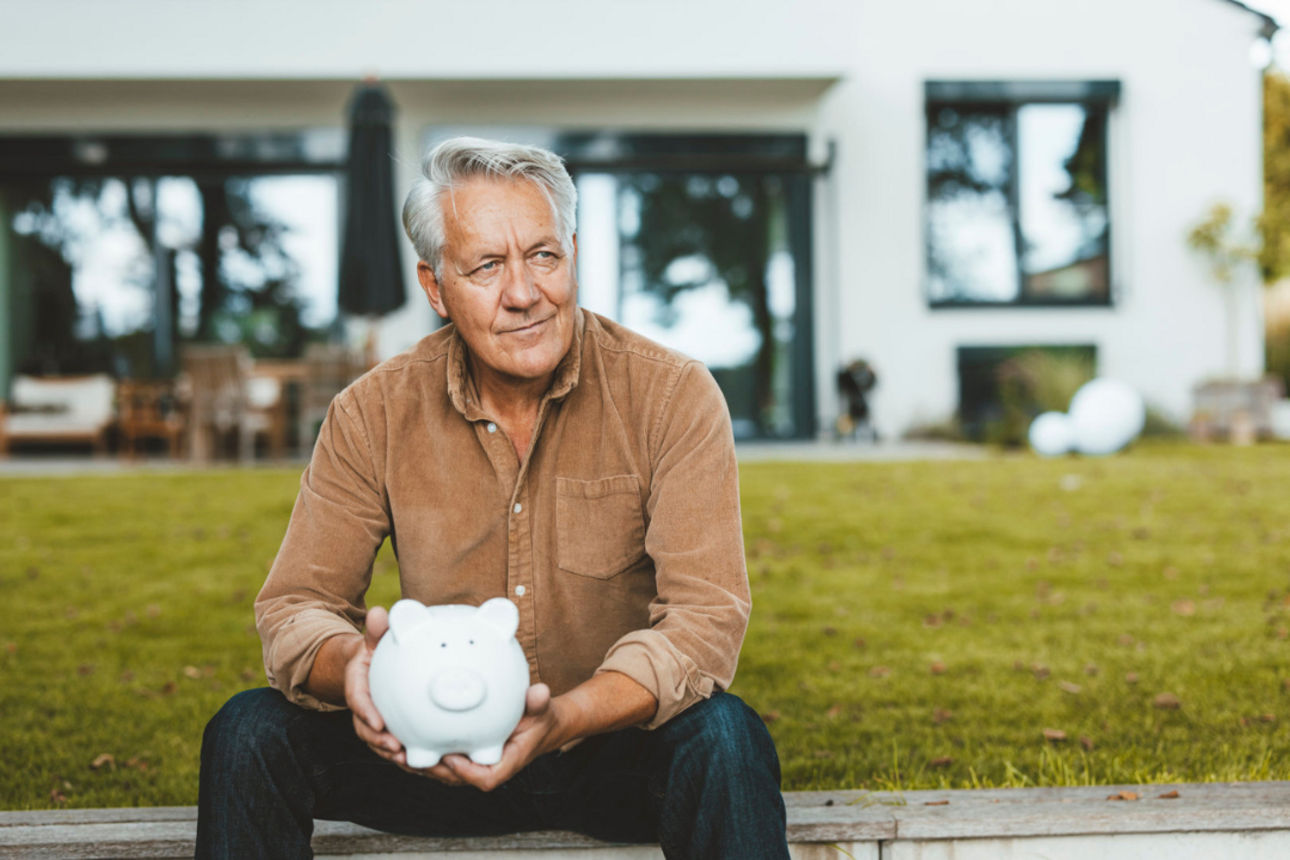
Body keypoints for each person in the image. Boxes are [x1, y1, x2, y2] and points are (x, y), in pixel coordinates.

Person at [195, 137, 789, 859]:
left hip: (608, 751)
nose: (523, 292)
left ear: (572, 253)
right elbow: (294, 607)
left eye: (543, 256)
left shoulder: (673, 396)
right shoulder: (371, 412)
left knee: (727, 736)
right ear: (436, 287)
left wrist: (565, 718)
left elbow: (704, 621)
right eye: (485, 267)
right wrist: (356, 667)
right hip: (426, 751)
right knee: (249, 731)